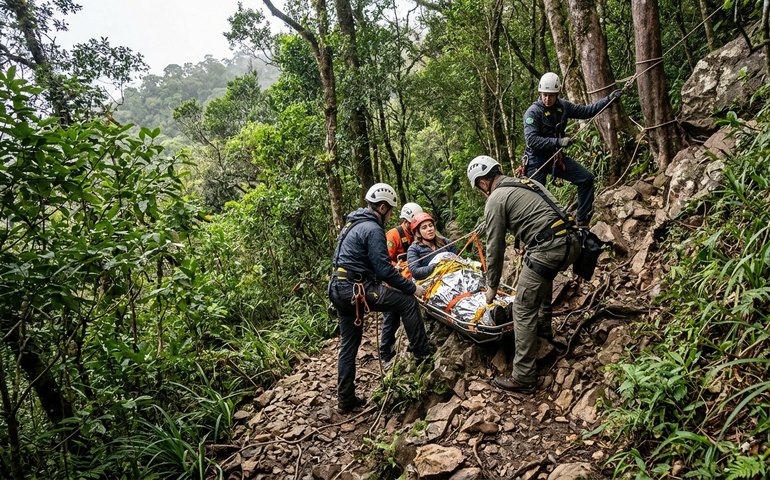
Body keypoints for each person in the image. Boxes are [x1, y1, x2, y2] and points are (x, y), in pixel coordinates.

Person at [467, 155, 581, 394]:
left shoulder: (495, 199)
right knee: (543, 278)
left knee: (522, 307)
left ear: (482, 183)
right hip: (573, 241)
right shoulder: (527, 182)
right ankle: (543, 331)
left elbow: (494, 248)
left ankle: (523, 376)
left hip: (548, 247)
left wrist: (491, 287)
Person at [328, 183, 431, 413]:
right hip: (356, 288)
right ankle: (423, 354)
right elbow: (385, 270)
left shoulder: (352, 224)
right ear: (382, 207)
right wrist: (411, 288)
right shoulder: (373, 229)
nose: (391, 216)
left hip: (339, 288)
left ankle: (345, 400)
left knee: (349, 344)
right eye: (391, 211)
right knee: (406, 301)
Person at [523, 72, 623, 227]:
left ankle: (582, 221)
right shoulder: (533, 113)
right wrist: (558, 141)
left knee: (586, 179)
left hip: (556, 158)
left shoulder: (563, 107)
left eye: (550, 95)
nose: (546, 99)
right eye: (544, 95)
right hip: (536, 161)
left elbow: (587, 111)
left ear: (557, 94)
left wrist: (608, 100)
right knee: (537, 201)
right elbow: (532, 140)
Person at [380, 202, 423, 369]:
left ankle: (414, 346)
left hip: (409, 281)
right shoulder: (393, 235)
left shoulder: (416, 235)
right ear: (405, 221)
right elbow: (383, 260)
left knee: (410, 314)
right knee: (391, 318)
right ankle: (385, 354)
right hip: (393, 282)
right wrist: (395, 266)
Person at [406, 212, 458, 281]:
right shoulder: (414, 249)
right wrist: (436, 266)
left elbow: (458, 259)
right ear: (418, 233)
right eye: (424, 228)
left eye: (430, 225)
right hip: (432, 282)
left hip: (453, 275)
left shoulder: (445, 242)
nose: (429, 229)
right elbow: (415, 272)